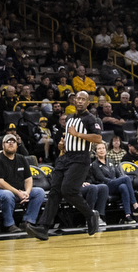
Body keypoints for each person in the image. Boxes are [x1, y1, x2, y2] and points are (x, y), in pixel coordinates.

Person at [27, 92, 105, 239]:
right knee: (54, 191)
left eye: (83, 99)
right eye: (78, 99)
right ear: (74, 101)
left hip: (80, 158)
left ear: (88, 103)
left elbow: (98, 138)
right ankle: (43, 227)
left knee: (68, 189)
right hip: (65, 157)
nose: (80, 102)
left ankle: (90, 214)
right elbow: (69, 137)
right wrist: (63, 145)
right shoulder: (69, 118)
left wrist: (78, 135)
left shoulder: (90, 119)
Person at [0, 133, 46, 232]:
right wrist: (18, 193)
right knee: (7, 195)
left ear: (17, 145)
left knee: (39, 192)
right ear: (3, 145)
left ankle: (27, 222)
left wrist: (26, 193)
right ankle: (10, 225)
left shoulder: (21, 159)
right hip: (1, 191)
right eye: (8, 142)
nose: (11, 144)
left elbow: (28, 179)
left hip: (21, 192)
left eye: (13, 142)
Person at [88, 140, 138, 221]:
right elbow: (102, 179)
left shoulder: (110, 161)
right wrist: (117, 181)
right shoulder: (94, 165)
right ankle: (135, 205)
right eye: (99, 149)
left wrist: (118, 180)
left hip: (114, 184)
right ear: (95, 151)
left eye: (103, 148)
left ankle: (128, 215)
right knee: (126, 179)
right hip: (105, 187)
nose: (101, 150)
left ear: (106, 150)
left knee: (123, 186)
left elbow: (118, 174)